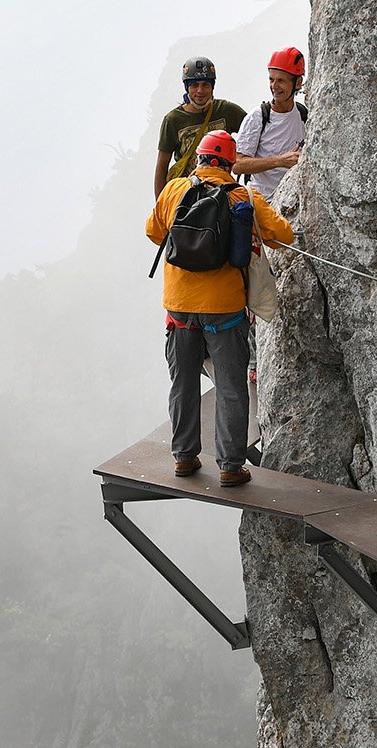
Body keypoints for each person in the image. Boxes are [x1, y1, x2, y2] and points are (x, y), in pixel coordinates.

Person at [145, 130, 294, 487]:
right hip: (224, 311)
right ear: (230, 163)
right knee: (231, 387)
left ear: (199, 159)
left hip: (179, 310)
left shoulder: (174, 190)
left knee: (182, 384)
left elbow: (153, 231)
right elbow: (283, 235)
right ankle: (229, 465)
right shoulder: (243, 196)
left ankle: (184, 457)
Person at [154, 57, 249, 196]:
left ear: (212, 86)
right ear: (187, 87)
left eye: (205, 84)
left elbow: (253, 132)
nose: (200, 90)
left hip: (222, 191)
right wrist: (161, 206)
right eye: (194, 85)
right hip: (186, 195)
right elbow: (162, 166)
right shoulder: (173, 120)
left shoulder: (227, 111)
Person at [232, 47, 307, 201]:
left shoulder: (303, 115)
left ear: (298, 82)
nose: (274, 86)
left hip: (294, 200)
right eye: (271, 79)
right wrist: (279, 161)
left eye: (281, 80)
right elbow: (237, 164)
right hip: (262, 202)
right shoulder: (258, 117)